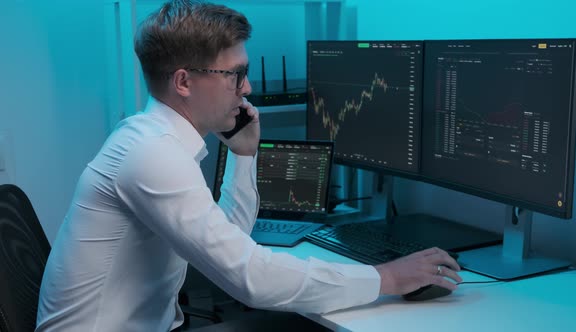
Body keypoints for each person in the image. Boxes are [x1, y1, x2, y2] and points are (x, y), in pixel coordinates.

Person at [36, 1, 462, 331]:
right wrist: (386, 277)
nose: (248, 88)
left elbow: (229, 245)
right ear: (184, 82)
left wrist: (243, 155)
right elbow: (250, 279)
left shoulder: (150, 140)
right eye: (235, 75)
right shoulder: (151, 154)